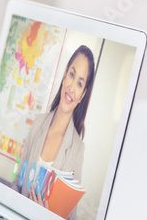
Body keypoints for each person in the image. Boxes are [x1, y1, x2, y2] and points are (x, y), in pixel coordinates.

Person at [16, 45, 96, 209]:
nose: (72, 88)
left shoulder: (77, 149)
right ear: (65, 74)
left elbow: (70, 218)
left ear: (82, 95)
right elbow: (16, 182)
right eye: (72, 75)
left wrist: (47, 218)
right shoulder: (38, 123)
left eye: (80, 84)